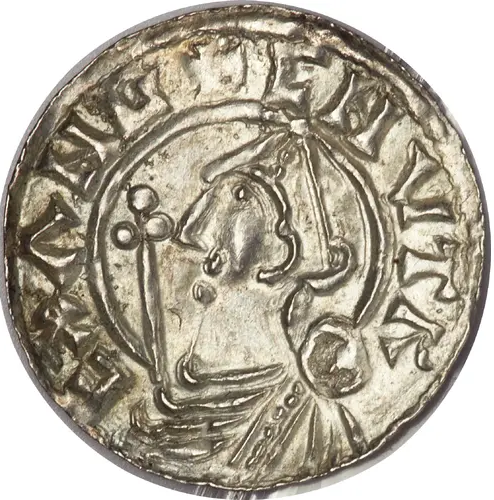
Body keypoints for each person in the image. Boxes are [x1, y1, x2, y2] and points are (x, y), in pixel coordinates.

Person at [127, 146, 372, 484]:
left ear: (281, 256)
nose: (197, 230)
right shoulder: (166, 401)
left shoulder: (315, 424)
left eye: (241, 199)